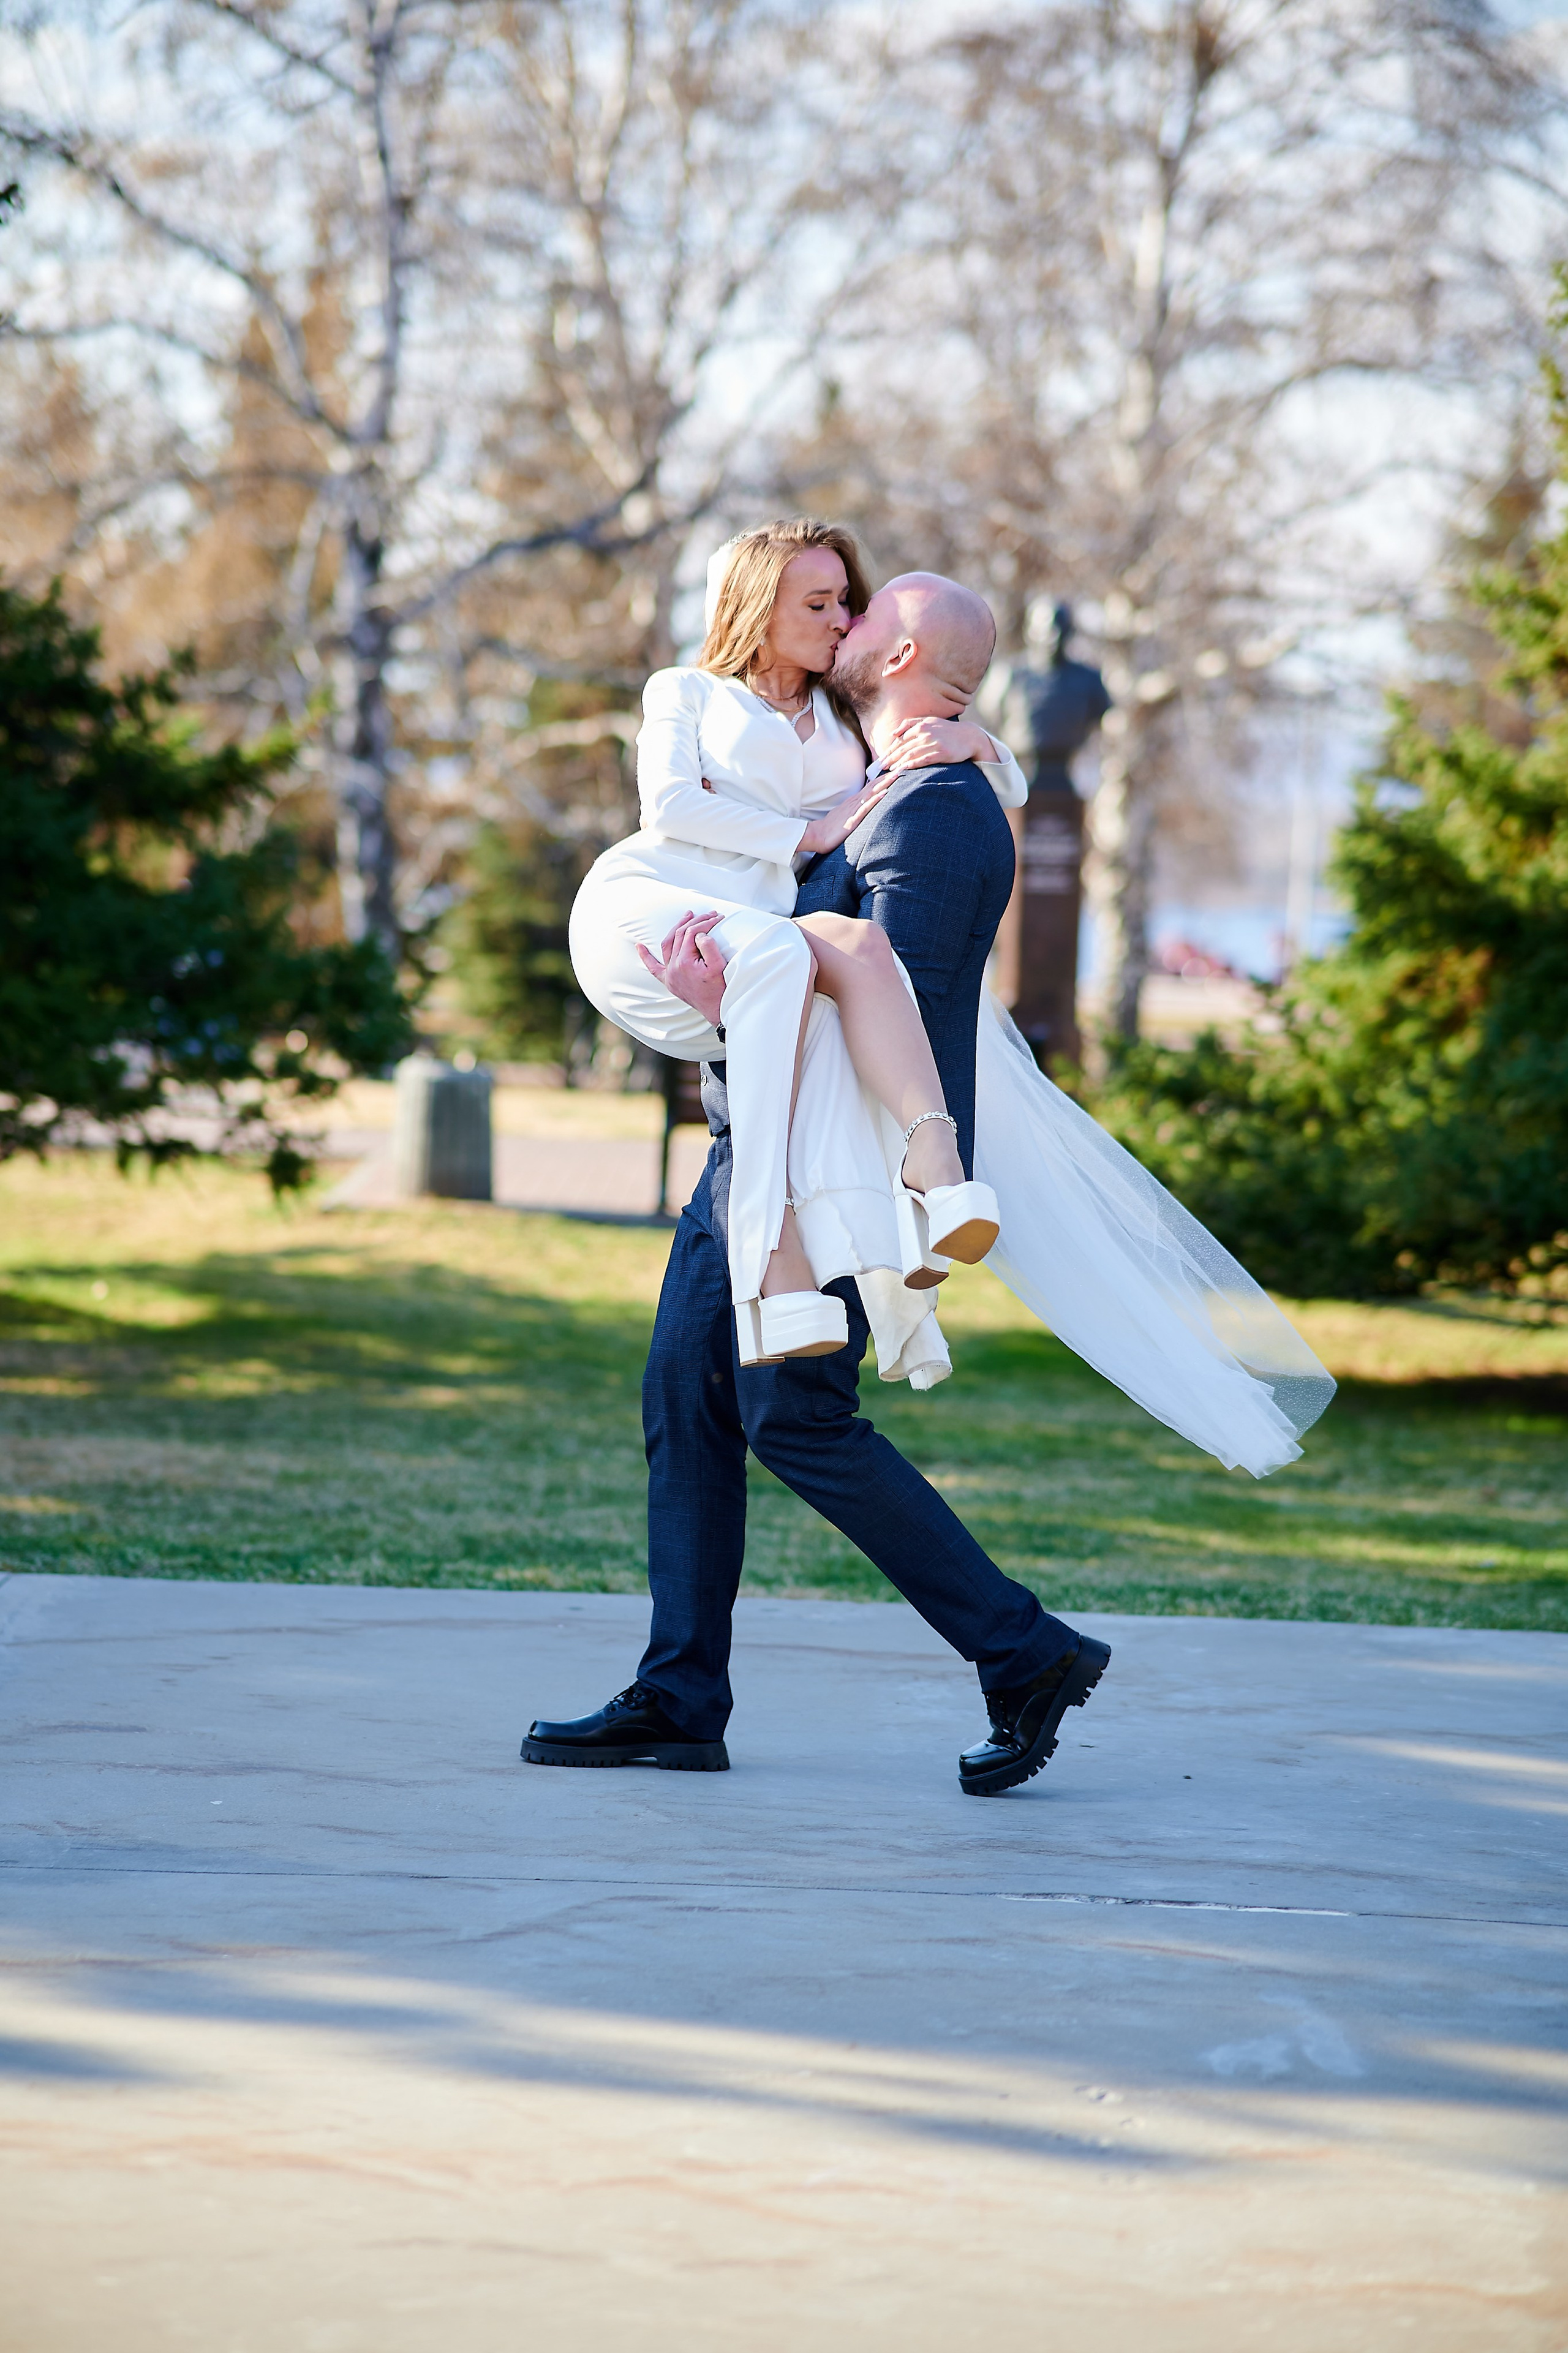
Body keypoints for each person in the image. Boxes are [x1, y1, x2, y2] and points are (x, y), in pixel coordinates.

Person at [528, 563, 1118, 1797]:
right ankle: (678, 1696)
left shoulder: (935, 810)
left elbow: (893, 1009)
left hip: (813, 1168)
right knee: (683, 1407)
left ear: (904, 652)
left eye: (866, 611)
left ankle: (1022, 1650)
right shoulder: (890, 778)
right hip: (753, 1145)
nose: (843, 627)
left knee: (796, 1417)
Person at [567, 519, 1018, 1369]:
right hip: (661, 906)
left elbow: (937, 714)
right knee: (791, 956)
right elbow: (667, 808)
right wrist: (807, 835)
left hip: (765, 935)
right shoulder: (685, 692)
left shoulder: (842, 712)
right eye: (819, 602)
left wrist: (980, 743)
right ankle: (775, 1278)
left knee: (860, 951)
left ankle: (937, 1169)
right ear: (757, 609)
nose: (843, 619)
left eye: (847, 600)